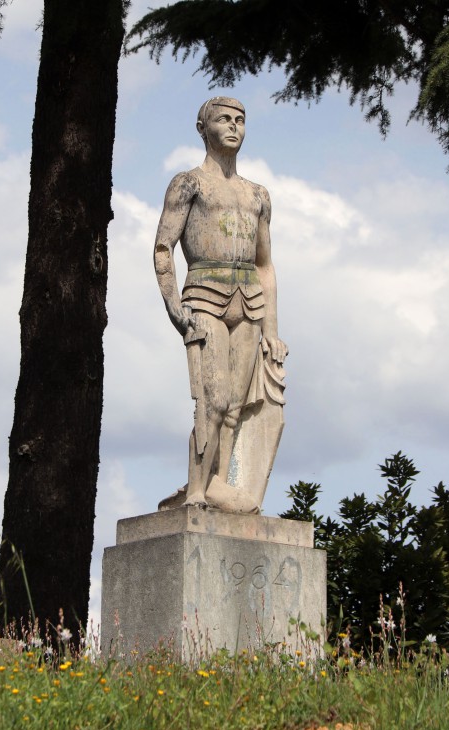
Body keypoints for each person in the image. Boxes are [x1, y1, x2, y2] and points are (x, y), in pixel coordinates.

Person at [154, 97, 288, 509]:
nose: (234, 126)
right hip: (204, 297)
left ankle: (218, 483)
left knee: (234, 407)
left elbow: (265, 265)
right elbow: (163, 248)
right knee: (212, 400)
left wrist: (272, 330)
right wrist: (175, 307)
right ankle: (196, 489)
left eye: (240, 120)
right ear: (203, 127)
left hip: (249, 301)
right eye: (224, 119)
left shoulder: (258, 194)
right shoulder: (188, 183)